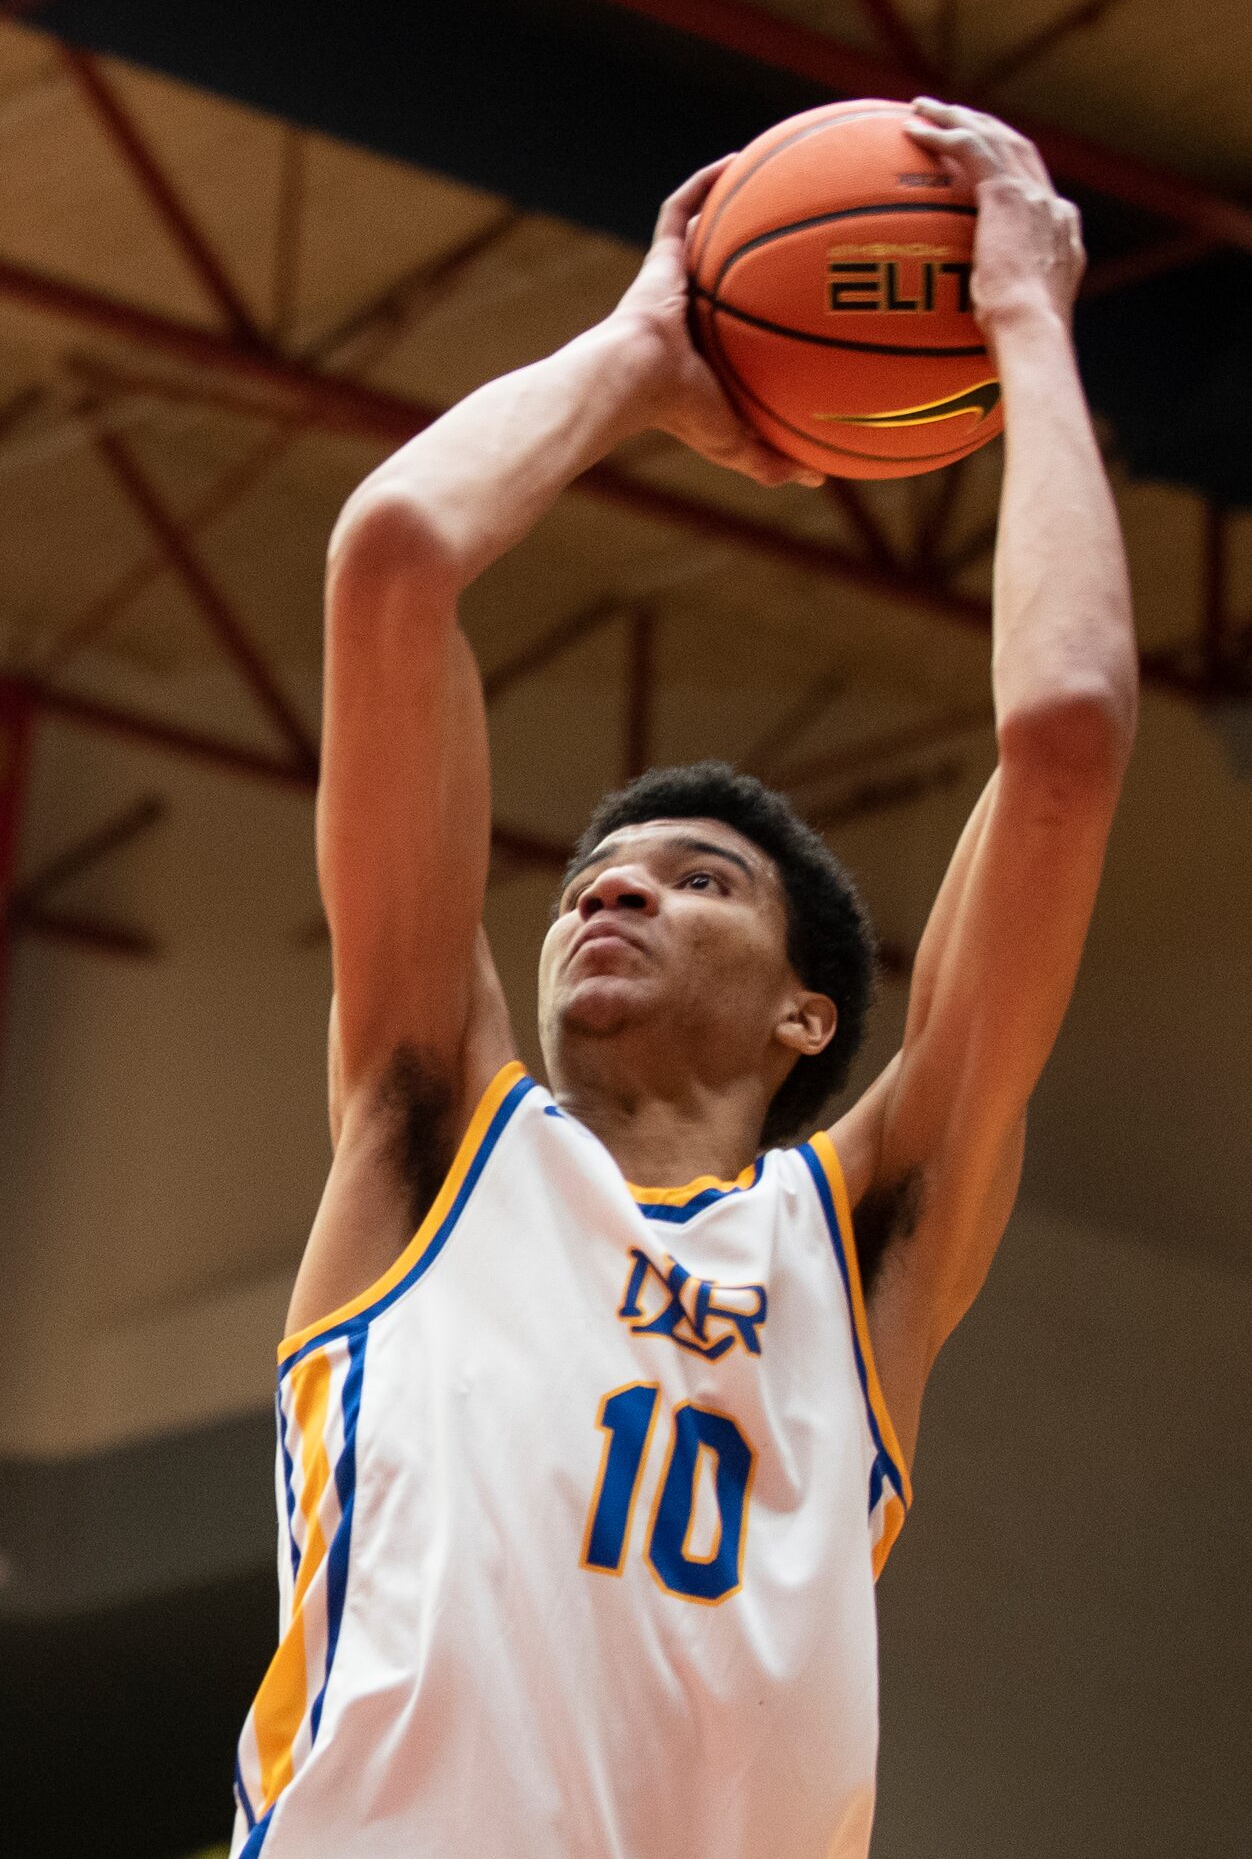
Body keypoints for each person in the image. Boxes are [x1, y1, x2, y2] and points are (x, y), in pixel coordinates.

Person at [229, 99, 1136, 1859]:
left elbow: (1070, 736)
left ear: (809, 1013)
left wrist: (1025, 314)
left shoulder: (864, 1241)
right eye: (590, 879)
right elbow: (396, 561)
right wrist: (646, 348)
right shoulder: (430, 1141)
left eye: (696, 879)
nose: (614, 887)